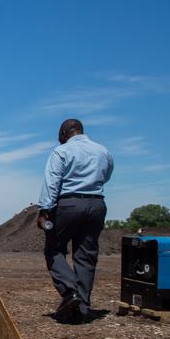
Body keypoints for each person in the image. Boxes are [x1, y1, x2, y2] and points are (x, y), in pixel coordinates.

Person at [37, 119, 114, 323]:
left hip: (69, 204)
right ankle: (81, 309)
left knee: (54, 248)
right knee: (86, 255)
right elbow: (106, 175)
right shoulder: (102, 151)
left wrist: (45, 209)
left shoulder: (61, 152)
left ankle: (70, 292)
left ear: (64, 133)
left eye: (59, 136)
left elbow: (52, 181)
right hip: (97, 204)